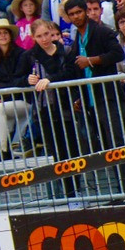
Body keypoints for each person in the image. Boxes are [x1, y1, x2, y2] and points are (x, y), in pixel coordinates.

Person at [64, 0, 125, 194]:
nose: (76, 16)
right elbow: (75, 69)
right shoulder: (77, 37)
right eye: (72, 14)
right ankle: (118, 190)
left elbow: (118, 54)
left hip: (108, 96)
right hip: (91, 97)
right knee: (106, 145)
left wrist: (92, 60)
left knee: (116, 142)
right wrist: (78, 96)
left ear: (86, 11)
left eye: (79, 12)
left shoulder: (102, 31)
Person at [25, 18, 82, 198]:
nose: (44, 39)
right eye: (40, 36)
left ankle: (76, 190)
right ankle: (66, 193)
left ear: (52, 32)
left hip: (66, 106)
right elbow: (16, 80)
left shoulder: (64, 51)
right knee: (56, 152)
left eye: (47, 34)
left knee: (72, 149)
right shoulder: (30, 56)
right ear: (33, 37)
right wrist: (28, 80)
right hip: (44, 109)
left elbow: (72, 73)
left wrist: (51, 80)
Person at [0, 19, 29, 162]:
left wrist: (0, 92)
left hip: (23, 100)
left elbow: (19, 81)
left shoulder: (22, 54)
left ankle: (2, 150)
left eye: (5, 33)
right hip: (4, 100)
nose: (2, 36)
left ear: (10, 36)